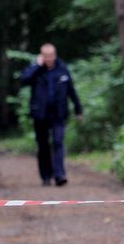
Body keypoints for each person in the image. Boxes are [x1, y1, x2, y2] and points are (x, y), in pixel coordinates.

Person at [19, 43, 82, 186]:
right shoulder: (36, 70)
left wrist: (78, 109)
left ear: (55, 55)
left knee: (58, 142)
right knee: (43, 146)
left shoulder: (62, 69)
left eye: (51, 56)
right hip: (40, 114)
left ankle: (60, 175)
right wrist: (36, 65)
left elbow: (71, 90)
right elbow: (24, 80)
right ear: (41, 56)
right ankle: (46, 176)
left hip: (58, 114)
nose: (49, 59)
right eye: (45, 56)